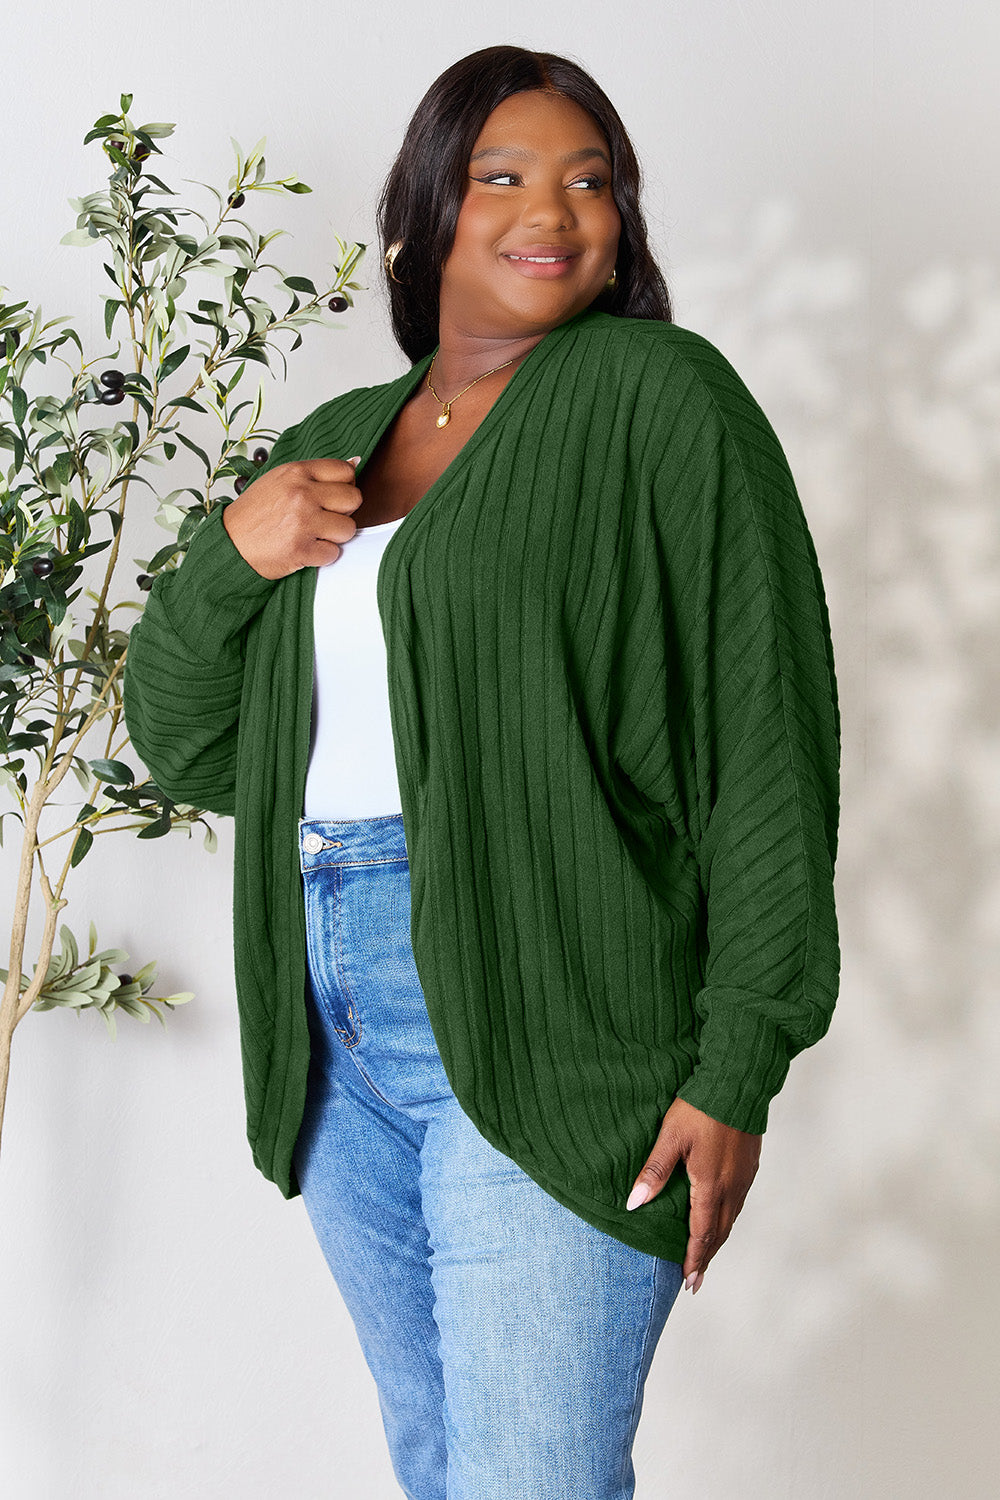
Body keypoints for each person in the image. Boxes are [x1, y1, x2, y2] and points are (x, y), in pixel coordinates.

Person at [122, 43, 841, 1500]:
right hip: (334, 1039)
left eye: (592, 182)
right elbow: (192, 741)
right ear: (423, 217)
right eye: (502, 176)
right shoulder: (333, 447)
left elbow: (769, 733)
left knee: (531, 1479)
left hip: (556, 991)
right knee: (447, 1465)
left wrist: (740, 1057)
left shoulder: (660, 397)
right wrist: (229, 558)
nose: (554, 212)